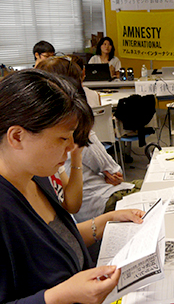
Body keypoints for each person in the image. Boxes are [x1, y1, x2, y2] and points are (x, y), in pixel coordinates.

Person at [0, 69, 145, 303]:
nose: (70, 149)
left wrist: (106, 220)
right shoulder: (7, 204)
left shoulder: (37, 175)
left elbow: (52, 240)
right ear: (17, 137)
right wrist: (60, 296)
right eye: (62, 139)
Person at [36, 56, 142, 223]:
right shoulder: (72, 131)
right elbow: (115, 173)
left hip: (90, 208)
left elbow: (72, 206)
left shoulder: (53, 150)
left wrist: (78, 159)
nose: (69, 146)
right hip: (100, 200)